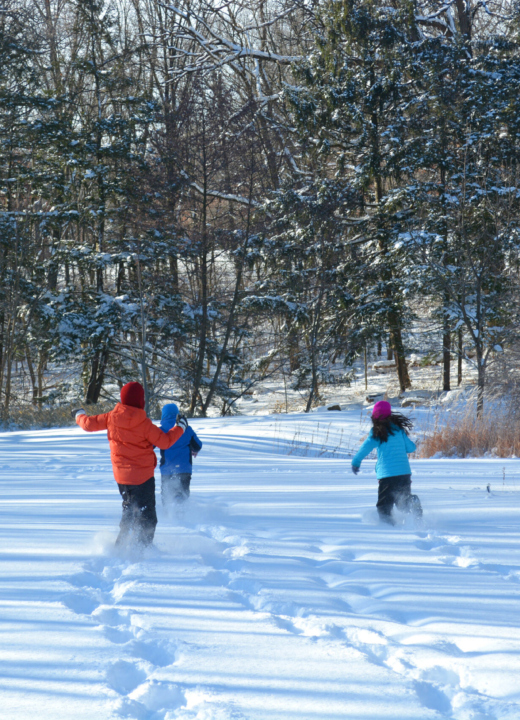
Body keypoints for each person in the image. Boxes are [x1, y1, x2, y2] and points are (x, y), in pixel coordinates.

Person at [74, 382, 187, 547]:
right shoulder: (144, 424)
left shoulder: (111, 417)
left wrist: (79, 414)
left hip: (122, 478)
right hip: (143, 478)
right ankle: (142, 550)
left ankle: (121, 547)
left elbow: (88, 424)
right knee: (147, 517)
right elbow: (165, 441)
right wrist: (181, 427)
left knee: (129, 510)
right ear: (141, 400)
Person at [351, 401, 422, 525]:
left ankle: (387, 528)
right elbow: (411, 448)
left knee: (384, 506)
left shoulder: (377, 432)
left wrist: (356, 462)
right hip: (404, 473)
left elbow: (365, 448)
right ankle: (413, 501)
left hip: (387, 476)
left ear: (375, 416)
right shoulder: (399, 430)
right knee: (402, 503)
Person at [159, 403, 202, 505]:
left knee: (167, 496)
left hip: (167, 470)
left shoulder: (160, 430)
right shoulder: (186, 429)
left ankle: (168, 514)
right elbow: (198, 445)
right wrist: (193, 449)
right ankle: (182, 513)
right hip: (184, 469)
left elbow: (150, 446)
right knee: (183, 494)